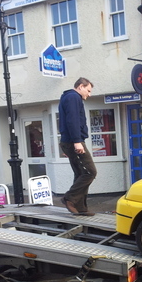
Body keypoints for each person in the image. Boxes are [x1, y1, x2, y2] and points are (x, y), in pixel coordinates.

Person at [59, 77, 97, 216]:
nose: (89, 94)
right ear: (81, 86)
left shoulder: (69, 97)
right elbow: (72, 120)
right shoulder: (73, 97)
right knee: (90, 172)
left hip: (69, 141)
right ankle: (69, 198)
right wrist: (76, 142)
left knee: (81, 173)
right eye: (88, 90)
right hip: (73, 141)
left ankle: (81, 207)